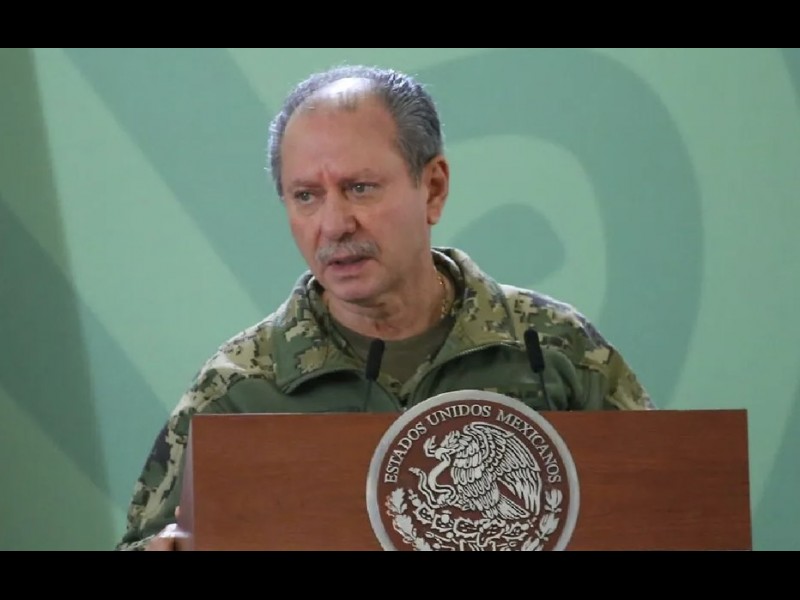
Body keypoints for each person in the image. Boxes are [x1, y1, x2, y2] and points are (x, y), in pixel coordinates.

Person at [115, 64, 654, 551]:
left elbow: (669, 509)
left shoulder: (551, 349)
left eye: (360, 188)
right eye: (306, 196)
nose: (333, 224)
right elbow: (147, 542)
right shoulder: (239, 389)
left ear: (433, 188)